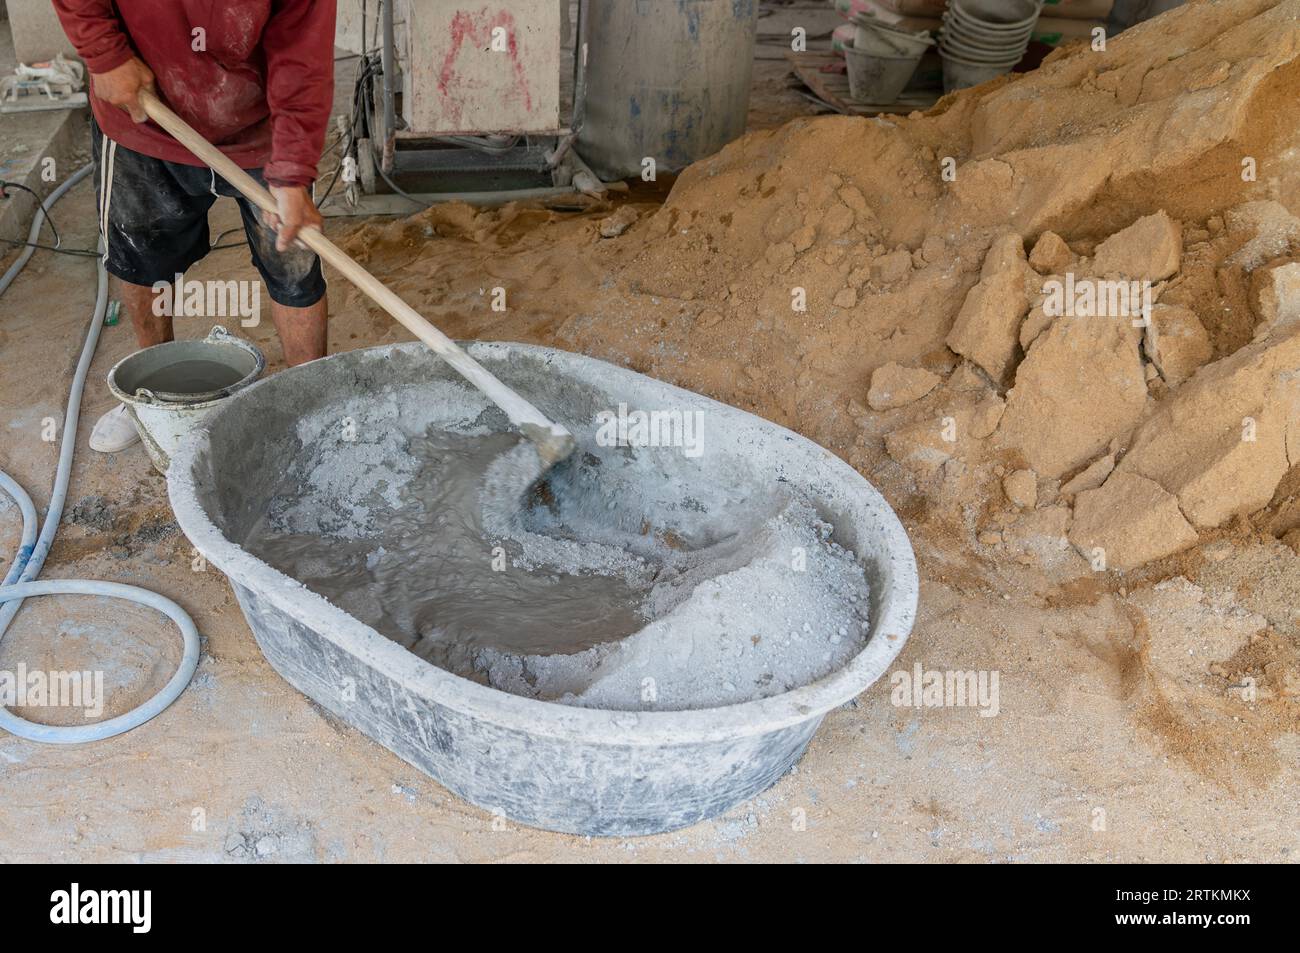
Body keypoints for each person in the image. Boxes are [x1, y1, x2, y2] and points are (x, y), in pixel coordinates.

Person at [52, 0, 337, 452]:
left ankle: (312, 402)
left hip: (259, 127)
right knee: (142, 259)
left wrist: (293, 170)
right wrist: (104, 55)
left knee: (294, 265)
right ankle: (151, 397)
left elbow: (301, 55)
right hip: (143, 115)